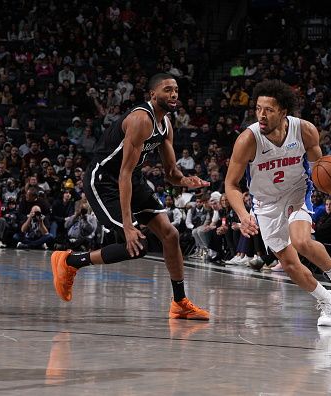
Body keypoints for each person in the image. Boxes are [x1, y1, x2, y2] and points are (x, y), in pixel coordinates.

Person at [49, 74, 211, 320]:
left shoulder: (166, 123)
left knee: (171, 234)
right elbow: (122, 174)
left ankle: (180, 302)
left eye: (176, 90)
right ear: (152, 95)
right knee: (136, 245)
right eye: (167, 90)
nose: (174, 94)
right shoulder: (140, 120)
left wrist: (186, 180)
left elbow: (170, 174)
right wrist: (128, 226)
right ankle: (70, 261)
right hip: (105, 181)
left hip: (132, 181)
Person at [225, 79, 331, 327]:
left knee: (301, 241)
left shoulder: (305, 131)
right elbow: (231, 185)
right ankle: (327, 300)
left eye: (268, 109)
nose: (262, 115)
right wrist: (244, 214)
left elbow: (321, 171)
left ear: (283, 111)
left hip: (296, 191)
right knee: (289, 265)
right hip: (265, 203)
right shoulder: (248, 139)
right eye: (258, 109)